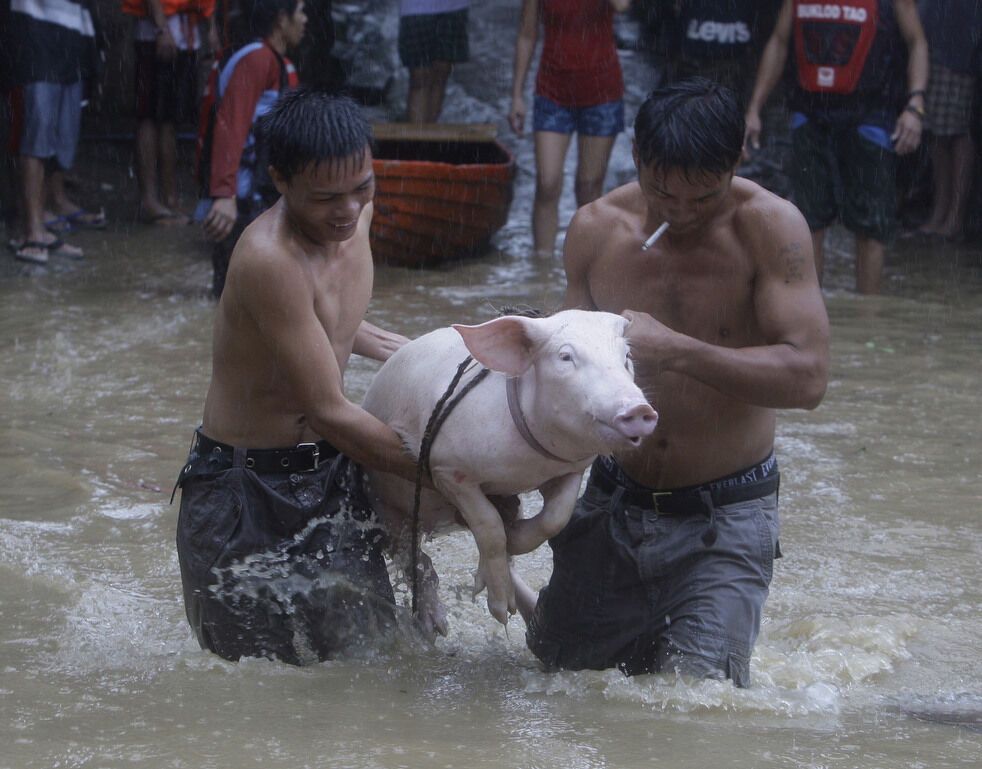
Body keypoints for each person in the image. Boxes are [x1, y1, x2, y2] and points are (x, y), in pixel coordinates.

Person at [514, 78, 830, 688]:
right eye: (662, 194)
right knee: (555, 675)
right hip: (615, 498)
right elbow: (560, 384)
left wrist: (679, 351)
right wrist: (522, 489)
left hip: (725, 514)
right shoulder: (595, 229)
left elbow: (809, 377)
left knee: (694, 707)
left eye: (703, 198)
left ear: (738, 161)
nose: (680, 213)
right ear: (637, 158)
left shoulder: (771, 228)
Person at [174, 89, 423, 665]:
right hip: (242, 496)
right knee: (256, 695)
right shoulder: (270, 260)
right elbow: (328, 410)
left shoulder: (354, 218)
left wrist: (430, 357)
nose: (348, 211)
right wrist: (446, 469)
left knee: (379, 662)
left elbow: (335, 322)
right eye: (327, 197)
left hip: (329, 478)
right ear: (281, 181)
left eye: (362, 187)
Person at [744, 0, 929, 294]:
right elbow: (779, 42)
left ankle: (867, 321)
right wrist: (754, 108)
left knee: (871, 226)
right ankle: (810, 312)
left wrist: (915, 103)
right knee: (809, 221)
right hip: (810, 111)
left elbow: (916, 41)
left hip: (871, 113)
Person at [197, 0, 304, 298]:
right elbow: (231, 124)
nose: (305, 20)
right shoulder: (257, 60)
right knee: (233, 295)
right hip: (241, 198)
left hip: (259, 194)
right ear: (281, 20)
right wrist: (224, 194)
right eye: (301, 12)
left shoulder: (280, 63)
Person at [509, 0, 632, 258]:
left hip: (602, 92)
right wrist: (517, 95)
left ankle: (585, 266)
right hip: (552, 91)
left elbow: (622, 6)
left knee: (588, 186)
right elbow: (526, 34)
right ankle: (541, 270)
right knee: (547, 182)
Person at [5, 0, 99, 264]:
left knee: (58, 135)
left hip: (71, 34)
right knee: (36, 133)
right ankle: (31, 231)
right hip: (34, 34)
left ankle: (42, 227)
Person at [123, 0, 219, 225]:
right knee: (148, 116)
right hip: (157, 33)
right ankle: (149, 201)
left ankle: (170, 197)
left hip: (186, 34)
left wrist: (212, 26)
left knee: (169, 120)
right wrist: (161, 28)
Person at [909, 0, 981, 243]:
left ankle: (954, 217)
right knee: (935, 132)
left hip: (959, 46)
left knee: (957, 131)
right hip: (935, 41)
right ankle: (940, 211)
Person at [398, 0, 470, 123]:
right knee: (419, 79)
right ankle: (415, 138)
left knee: (441, 75)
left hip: (455, 7)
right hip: (415, 8)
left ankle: (429, 135)